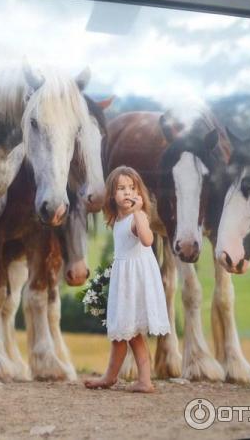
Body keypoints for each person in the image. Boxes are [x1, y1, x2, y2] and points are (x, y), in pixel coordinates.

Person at [84, 166, 170, 393]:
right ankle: (120, 378)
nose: (128, 193)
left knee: (128, 334)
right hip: (125, 280)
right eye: (122, 188)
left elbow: (148, 240)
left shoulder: (136, 217)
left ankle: (135, 380)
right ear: (112, 195)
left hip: (135, 282)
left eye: (132, 188)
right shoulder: (117, 219)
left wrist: (140, 213)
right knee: (124, 334)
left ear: (140, 193)